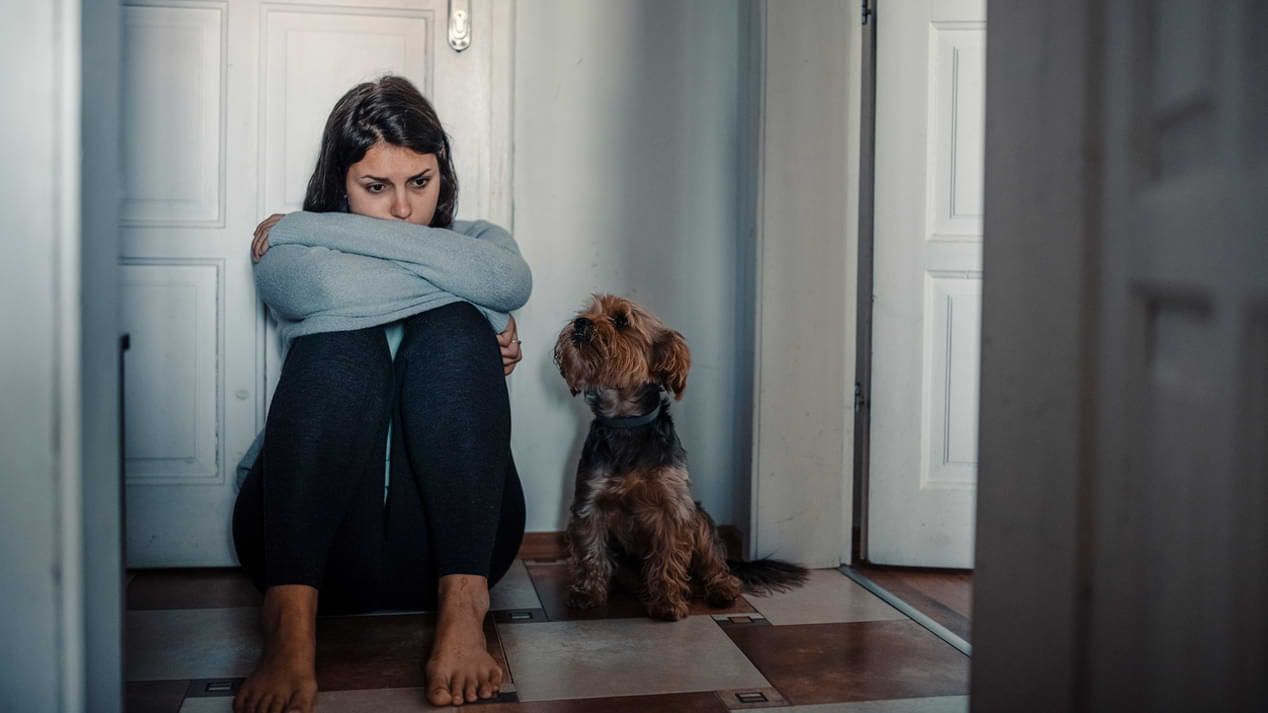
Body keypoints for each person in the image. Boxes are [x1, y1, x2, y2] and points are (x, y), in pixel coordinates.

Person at [230, 75, 530, 713]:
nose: (402, 209)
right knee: (347, 340)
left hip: (456, 549)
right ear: (338, 182)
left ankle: (462, 612)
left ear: (440, 173)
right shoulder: (289, 253)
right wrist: (483, 309)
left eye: (420, 183)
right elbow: (328, 298)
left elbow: (509, 277)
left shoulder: (308, 235)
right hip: (309, 546)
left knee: (450, 331)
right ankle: (287, 626)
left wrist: (315, 228)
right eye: (376, 187)